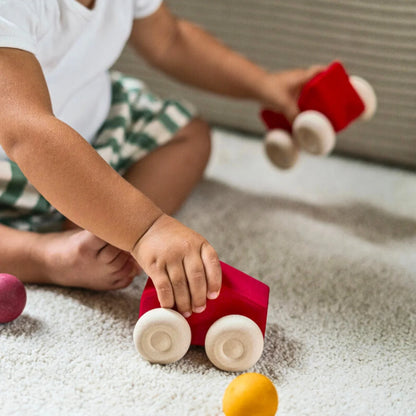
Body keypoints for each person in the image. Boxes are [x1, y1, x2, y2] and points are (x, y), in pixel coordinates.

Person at [0, 0, 322, 319]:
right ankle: (45, 255)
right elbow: (28, 132)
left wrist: (265, 85)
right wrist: (147, 229)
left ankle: (95, 220)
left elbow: (171, 40)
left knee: (188, 136)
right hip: (13, 154)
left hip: (93, 118)